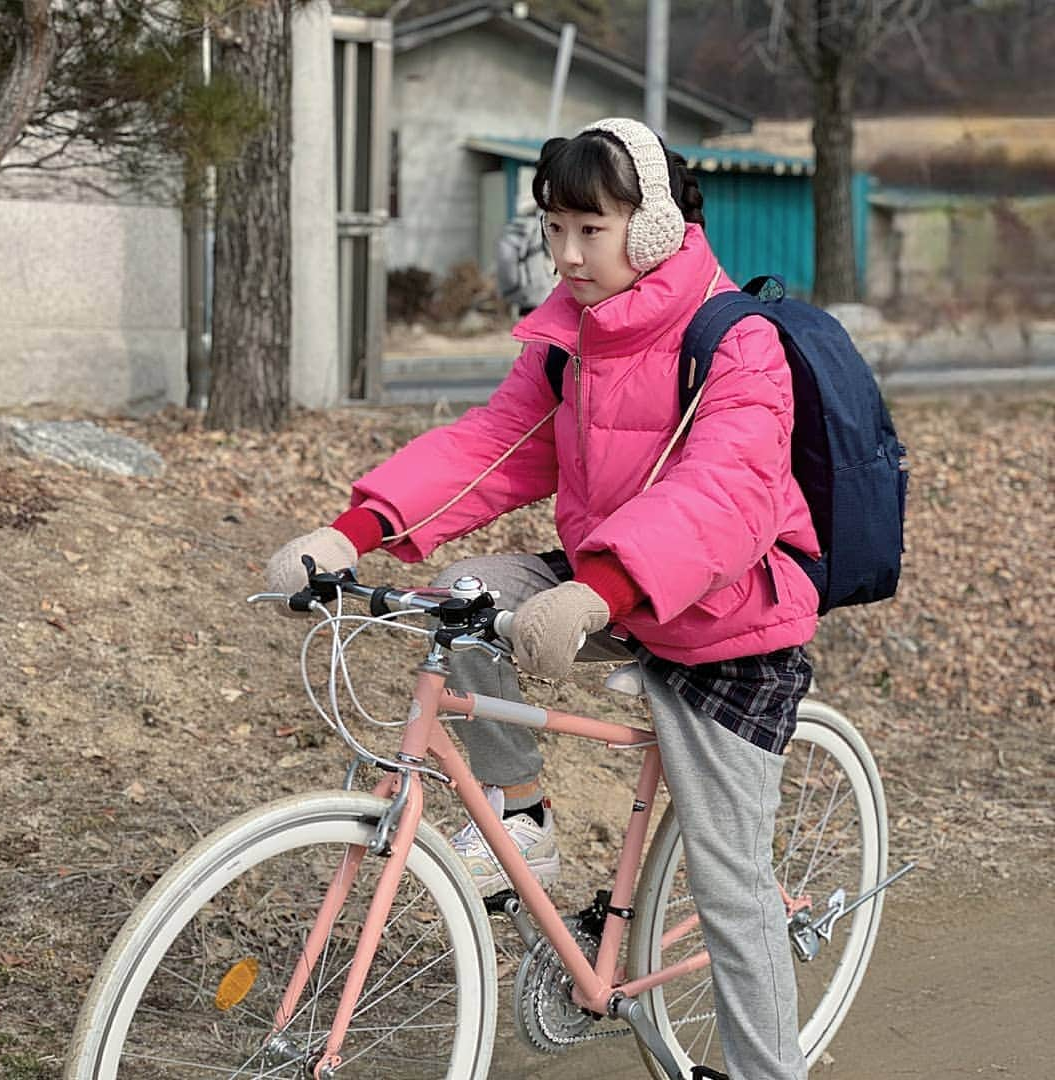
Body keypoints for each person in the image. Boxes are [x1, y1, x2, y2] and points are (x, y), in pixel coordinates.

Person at [265, 116, 819, 1080]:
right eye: (552, 227)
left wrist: (601, 590)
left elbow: (725, 498)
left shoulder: (738, 344)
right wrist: (350, 530)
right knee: (468, 601)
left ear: (649, 230)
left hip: (729, 622)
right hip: (610, 586)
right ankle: (522, 817)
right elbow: (490, 448)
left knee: (732, 890)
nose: (563, 255)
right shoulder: (572, 345)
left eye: (588, 230)